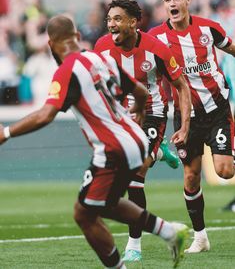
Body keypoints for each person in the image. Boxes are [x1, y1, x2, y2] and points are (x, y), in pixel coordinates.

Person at [0, 14, 189, 269]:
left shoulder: (66, 70)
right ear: (77, 37)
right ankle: (168, 232)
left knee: (84, 214)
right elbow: (141, 91)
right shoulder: (101, 59)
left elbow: (46, 115)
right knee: (103, 205)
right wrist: (141, 113)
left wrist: (6, 133)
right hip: (135, 139)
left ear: (50, 44)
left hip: (113, 149)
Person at [94, 0, 191, 262]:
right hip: (122, 117)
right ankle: (159, 153)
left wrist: (184, 125)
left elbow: (181, 86)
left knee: (136, 174)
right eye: (109, 19)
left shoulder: (157, 49)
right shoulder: (101, 48)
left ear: (134, 22)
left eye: (117, 19)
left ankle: (134, 244)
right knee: (132, 164)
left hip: (152, 113)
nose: (111, 24)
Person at [148, 0, 235, 254]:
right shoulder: (156, 39)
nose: (172, 4)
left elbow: (232, 48)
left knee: (224, 170)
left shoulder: (209, 29)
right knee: (190, 178)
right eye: (167, 0)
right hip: (185, 116)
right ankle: (201, 237)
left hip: (217, 109)